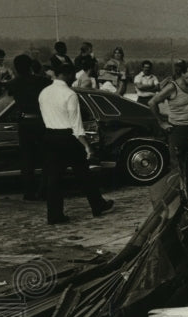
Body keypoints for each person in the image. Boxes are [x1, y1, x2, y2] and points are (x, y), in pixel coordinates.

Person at [38, 62, 114, 224]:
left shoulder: (44, 92)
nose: (74, 78)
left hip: (50, 136)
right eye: (72, 75)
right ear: (66, 74)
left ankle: (54, 215)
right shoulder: (70, 94)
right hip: (67, 137)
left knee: (53, 179)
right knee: (83, 173)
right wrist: (88, 147)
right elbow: (76, 126)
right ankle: (97, 204)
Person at [8, 54, 51, 200]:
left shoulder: (14, 83)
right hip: (41, 122)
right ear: (31, 66)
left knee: (27, 160)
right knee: (46, 157)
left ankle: (29, 192)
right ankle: (44, 189)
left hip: (24, 123)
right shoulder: (42, 81)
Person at [148, 59, 188, 179]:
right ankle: (178, 195)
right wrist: (161, 122)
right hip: (178, 130)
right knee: (177, 166)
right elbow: (152, 103)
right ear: (182, 73)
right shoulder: (172, 87)